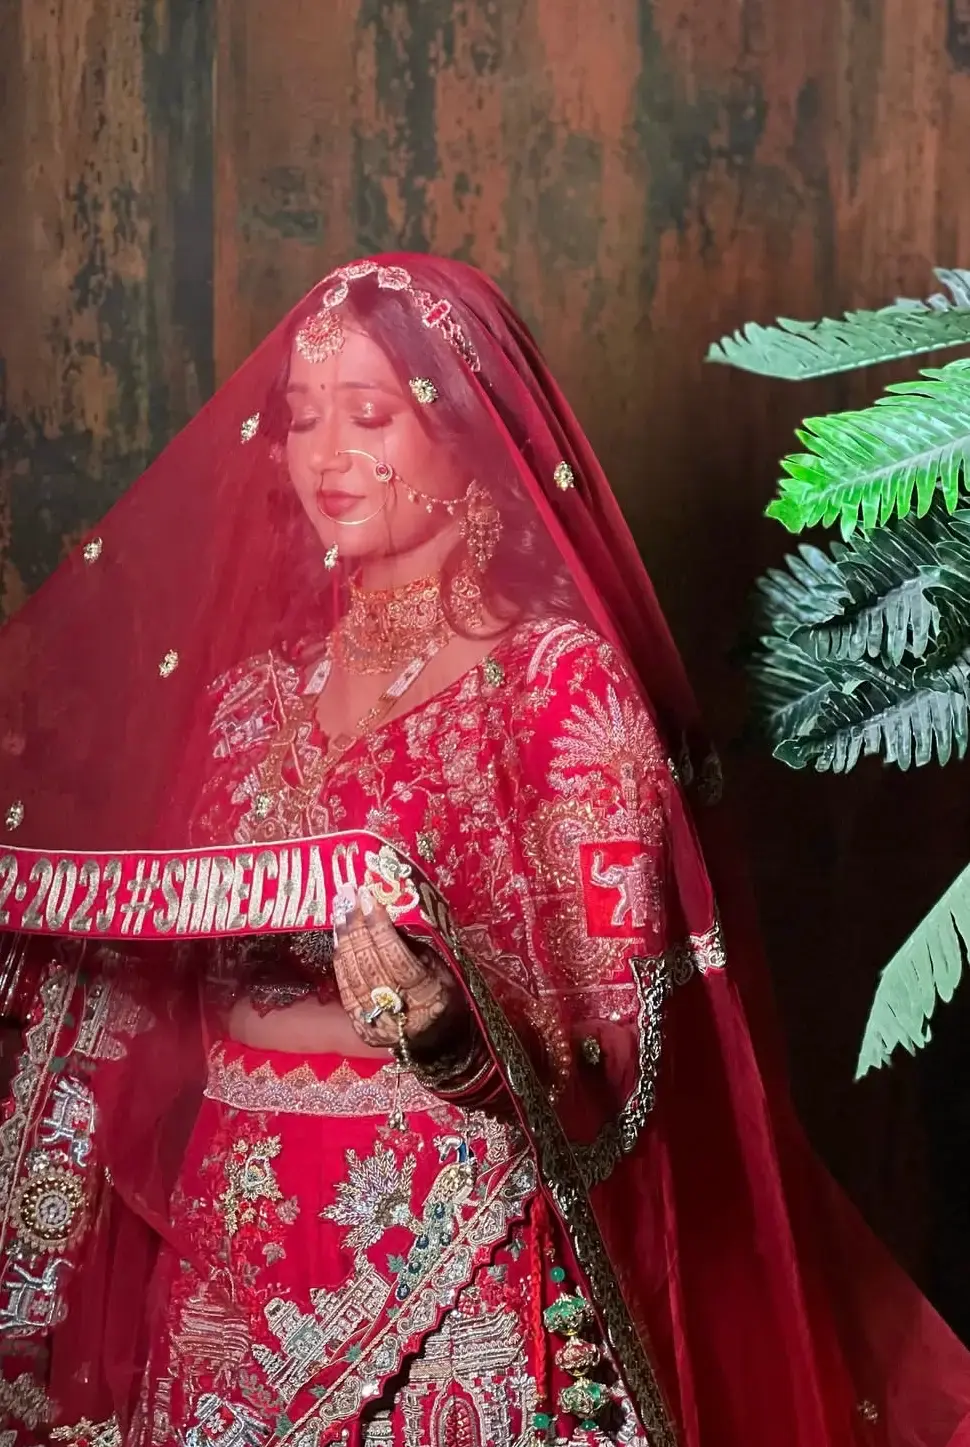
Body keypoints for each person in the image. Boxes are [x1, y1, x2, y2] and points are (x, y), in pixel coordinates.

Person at [0, 254, 968, 1447]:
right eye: (302, 420)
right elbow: (159, 982)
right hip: (229, 1268)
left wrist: (455, 1031)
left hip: (456, 1265)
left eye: (368, 416)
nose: (324, 457)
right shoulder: (250, 703)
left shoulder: (556, 688)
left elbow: (621, 1044)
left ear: (462, 429)